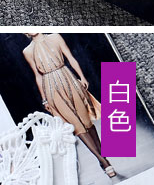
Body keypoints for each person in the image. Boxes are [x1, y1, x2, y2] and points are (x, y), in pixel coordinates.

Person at [23, 33, 115, 177]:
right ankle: (103, 161)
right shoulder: (28, 51)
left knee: (86, 122)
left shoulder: (55, 37)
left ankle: (102, 156)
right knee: (76, 126)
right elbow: (38, 75)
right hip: (51, 87)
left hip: (69, 79)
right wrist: (44, 99)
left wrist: (82, 77)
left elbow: (70, 58)